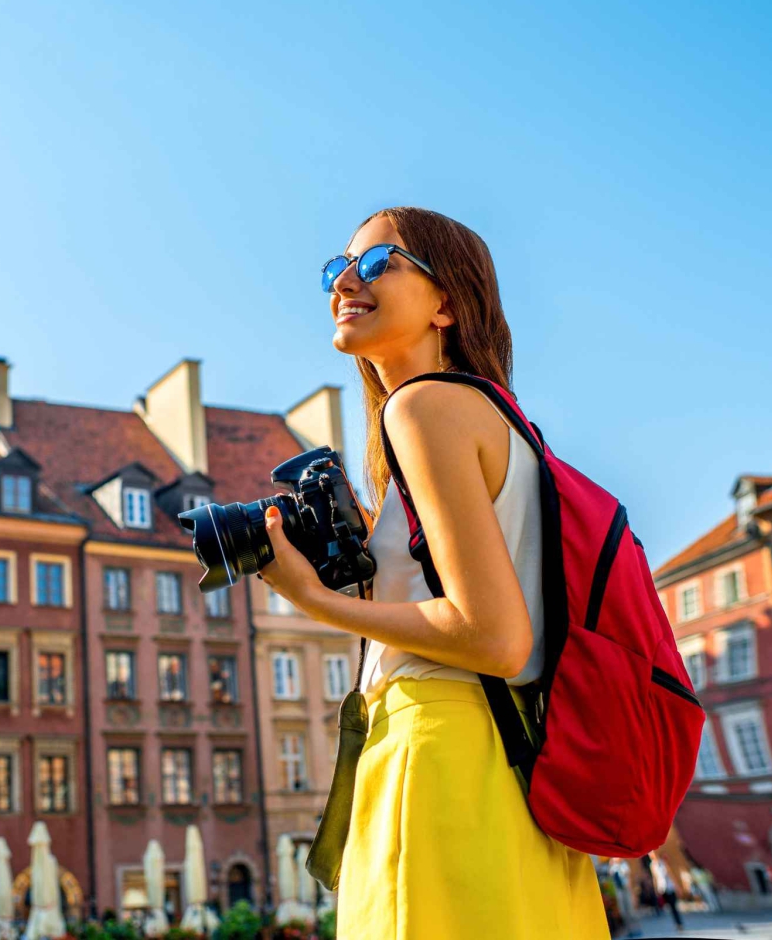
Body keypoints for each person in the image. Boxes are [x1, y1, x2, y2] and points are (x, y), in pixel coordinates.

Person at [258, 207, 608, 939]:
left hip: (438, 763)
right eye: (336, 268)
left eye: (379, 263)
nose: (345, 281)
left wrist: (314, 598)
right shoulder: (497, 419)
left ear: (446, 302)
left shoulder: (423, 408)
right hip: (510, 771)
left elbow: (493, 635)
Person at [649, 851, 683, 931]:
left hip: (670, 887)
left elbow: (671, 874)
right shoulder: (652, 865)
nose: (652, 856)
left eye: (653, 854)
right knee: (663, 906)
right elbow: (655, 878)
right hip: (662, 888)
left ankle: (678, 924)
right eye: (650, 854)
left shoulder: (663, 862)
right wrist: (655, 889)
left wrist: (677, 886)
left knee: (673, 906)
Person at [609, 858, 641, 937]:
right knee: (624, 912)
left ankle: (636, 929)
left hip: (626, 889)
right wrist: (611, 864)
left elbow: (629, 878)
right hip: (619, 890)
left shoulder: (624, 865)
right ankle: (629, 930)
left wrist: (632, 893)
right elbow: (610, 875)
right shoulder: (613, 867)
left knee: (630, 911)